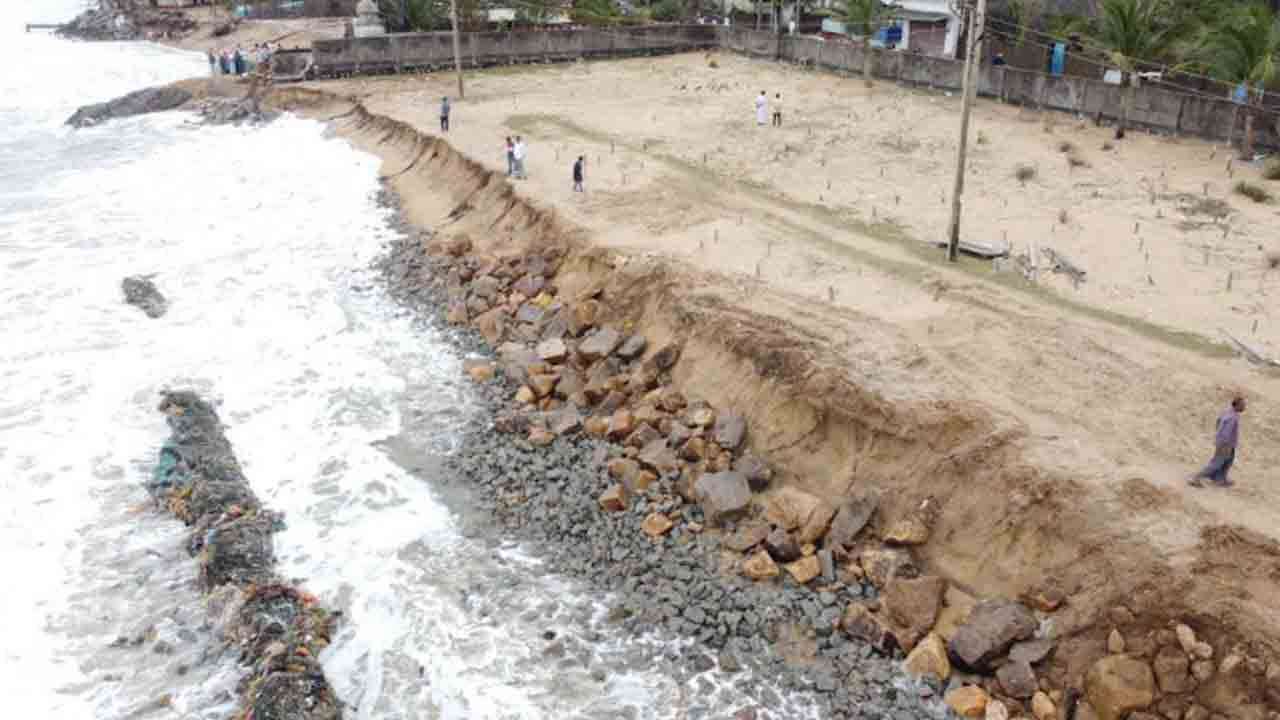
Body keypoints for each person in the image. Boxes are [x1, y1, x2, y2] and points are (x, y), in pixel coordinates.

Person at [1189, 396, 1246, 488]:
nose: (1244, 407)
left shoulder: (1228, 411)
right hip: (1226, 444)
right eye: (1242, 405)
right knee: (1216, 463)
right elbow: (1226, 433)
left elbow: (1218, 421)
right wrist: (1225, 444)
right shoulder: (1233, 417)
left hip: (1226, 443)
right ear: (1237, 405)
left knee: (1228, 461)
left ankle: (1220, 478)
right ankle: (1195, 478)